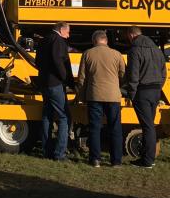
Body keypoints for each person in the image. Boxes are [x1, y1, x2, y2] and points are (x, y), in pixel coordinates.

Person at [76, 30, 126, 167]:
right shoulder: (117, 54)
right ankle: (116, 161)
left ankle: (95, 159)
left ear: (94, 41)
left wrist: (81, 96)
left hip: (94, 95)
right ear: (106, 41)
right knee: (115, 128)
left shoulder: (87, 54)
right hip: (113, 96)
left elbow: (82, 79)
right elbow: (123, 75)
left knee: (94, 128)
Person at [123, 26, 167, 169]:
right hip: (156, 91)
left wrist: (131, 94)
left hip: (142, 92)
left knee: (147, 126)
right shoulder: (157, 50)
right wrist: (159, 87)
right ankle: (147, 157)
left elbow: (133, 75)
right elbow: (164, 73)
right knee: (149, 125)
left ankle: (147, 160)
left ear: (131, 35)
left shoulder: (134, 50)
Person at [35, 22, 72, 160]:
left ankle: (47, 150)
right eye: (67, 32)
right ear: (61, 30)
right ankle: (59, 153)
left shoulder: (44, 40)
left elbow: (37, 62)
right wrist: (65, 78)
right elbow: (59, 61)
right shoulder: (58, 41)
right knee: (64, 117)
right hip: (55, 83)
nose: (68, 36)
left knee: (47, 115)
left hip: (44, 82)